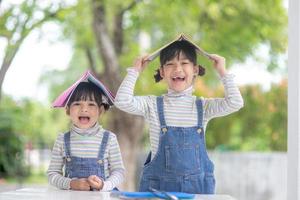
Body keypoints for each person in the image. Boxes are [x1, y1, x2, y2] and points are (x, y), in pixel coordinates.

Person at [114, 39, 244, 194]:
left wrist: (222, 71)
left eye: (184, 63)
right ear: (162, 72)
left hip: (197, 192)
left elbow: (235, 102)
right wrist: (135, 71)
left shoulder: (204, 107)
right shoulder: (152, 105)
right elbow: (121, 101)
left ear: (195, 69)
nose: (177, 68)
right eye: (170, 64)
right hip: (158, 192)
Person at [47, 77, 125, 191]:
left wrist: (103, 185)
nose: (84, 109)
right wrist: (71, 183)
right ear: (68, 110)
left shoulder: (110, 139)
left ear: (101, 110)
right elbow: (52, 174)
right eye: (77, 104)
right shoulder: (62, 140)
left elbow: (119, 172)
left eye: (91, 104)